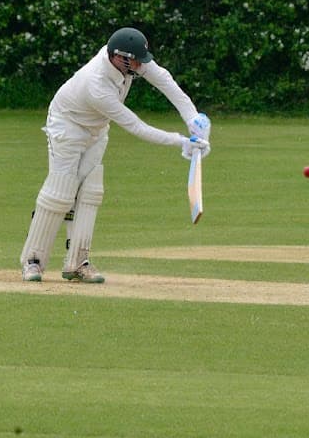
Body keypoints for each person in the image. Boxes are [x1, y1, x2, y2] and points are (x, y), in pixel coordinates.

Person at [20, 27, 210, 283]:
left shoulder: (129, 61)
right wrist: (180, 142)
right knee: (61, 191)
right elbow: (135, 126)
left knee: (90, 190)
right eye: (135, 61)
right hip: (67, 125)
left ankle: (78, 263)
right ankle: (33, 261)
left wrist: (193, 120)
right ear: (118, 57)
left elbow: (165, 80)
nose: (140, 66)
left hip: (97, 129)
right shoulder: (96, 84)